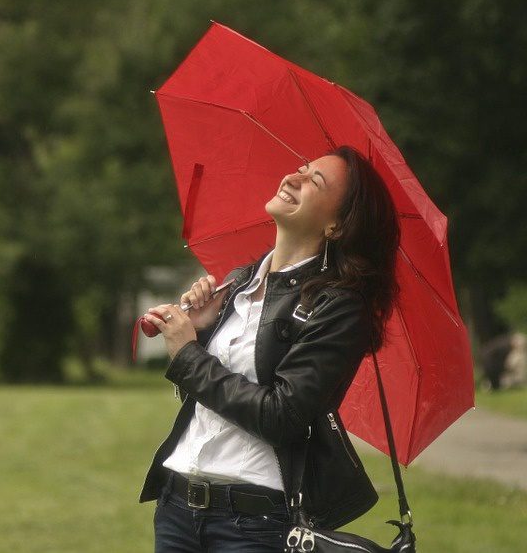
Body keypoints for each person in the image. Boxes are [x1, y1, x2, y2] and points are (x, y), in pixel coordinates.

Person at [139, 145, 401, 552]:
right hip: (177, 506)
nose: (293, 177)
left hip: (251, 524)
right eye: (301, 168)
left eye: (314, 181)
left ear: (336, 226)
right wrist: (204, 332)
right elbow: (217, 396)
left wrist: (189, 354)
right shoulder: (240, 283)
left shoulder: (339, 308)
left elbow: (281, 416)